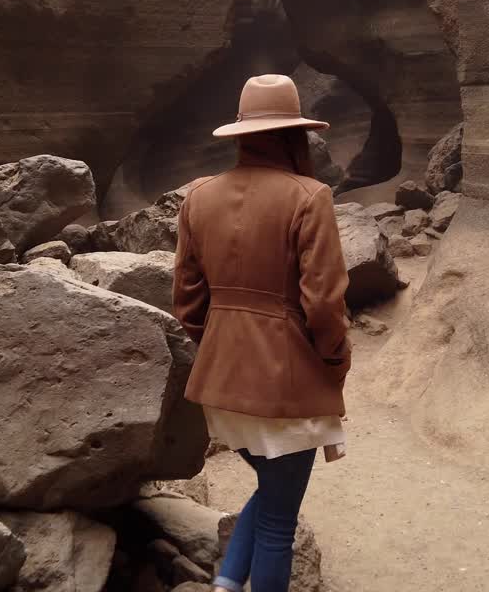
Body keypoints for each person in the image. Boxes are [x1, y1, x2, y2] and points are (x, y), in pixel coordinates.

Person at [173, 74, 352, 592]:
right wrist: (334, 362)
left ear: (242, 135)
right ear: (295, 134)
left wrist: (223, 345)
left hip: (221, 381)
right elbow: (323, 303)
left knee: (272, 490)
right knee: (278, 518)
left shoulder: (198, 197)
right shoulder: (310, 196)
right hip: (286, 383)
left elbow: (187, 303)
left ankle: (227, 584)